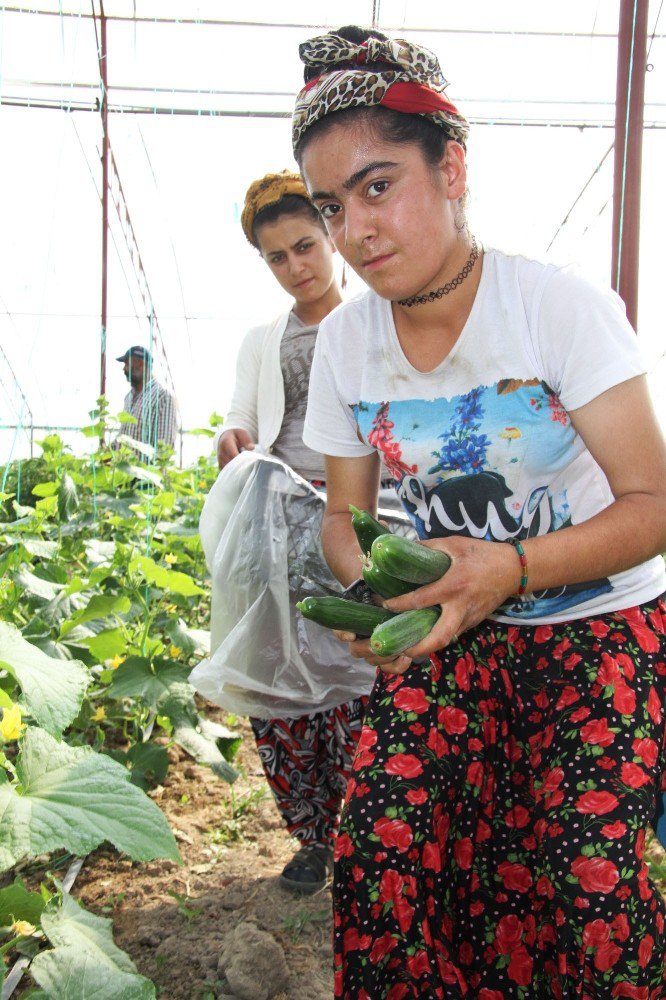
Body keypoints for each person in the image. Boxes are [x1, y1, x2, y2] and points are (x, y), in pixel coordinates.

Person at [292, 25, 666, 999]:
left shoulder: (558, 309)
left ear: (450, 167)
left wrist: (514, 567)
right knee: (385, 853)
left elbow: (655, 506)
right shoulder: (346, 345)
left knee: (582, 875)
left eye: (379, 187)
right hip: (451, 627)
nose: (354, 230)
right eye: (333, 206)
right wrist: (376, 593)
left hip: (597, 621)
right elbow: (344, 518)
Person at [214, 170, 373, 894]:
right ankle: (313, 839)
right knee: (282, 693)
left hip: (364, 522)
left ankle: (360, 830)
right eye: (277, 257)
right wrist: (234, 434)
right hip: (278, 529)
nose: (296, 267)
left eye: (306, 245)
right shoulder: (262, 340)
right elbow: (239, 415)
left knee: (358, 681)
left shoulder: (377, 320)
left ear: (333, 235)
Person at [116, 345, 178, 450]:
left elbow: (164, 448)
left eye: (127, 364)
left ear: (140, 364)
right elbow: (123, 436)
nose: (124, 369)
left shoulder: (163, 397)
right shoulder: (128, 397)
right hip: (124, 466)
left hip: (144, 467)